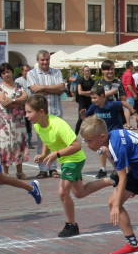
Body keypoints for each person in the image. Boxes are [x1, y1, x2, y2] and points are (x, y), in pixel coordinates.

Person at [80, 116, 138, 254]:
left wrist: (116, 207)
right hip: (137, 172)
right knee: (112, 201)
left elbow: (122, 178)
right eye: (85, 141)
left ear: (101, 136)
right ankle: (133, 245)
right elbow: (125, 163)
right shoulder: (112, 136)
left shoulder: (115, 146)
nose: (88, 145)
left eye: (89, 141)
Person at [26, 94, 99, 238]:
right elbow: (47, 140)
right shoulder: (38, 125)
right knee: (80, 193)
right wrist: (43, 154)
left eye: (29, 112)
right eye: (26, 112)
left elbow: (77, 146)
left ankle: (71, 225)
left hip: (74, 159)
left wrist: (56, 154)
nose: (27, 116)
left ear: (41, 112)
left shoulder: (58, 125)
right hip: (65, 160)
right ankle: (111, 181)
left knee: (62, 192)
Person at [26, 50, 66, 178]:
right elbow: (34, 90)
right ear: (38, 61)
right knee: (42, 140)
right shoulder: (32, 73)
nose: (45, 62)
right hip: (40, 114)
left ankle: (53, 168)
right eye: (42, 60)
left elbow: (61, 89)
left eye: (47, 59)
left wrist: (42, 88)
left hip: (55, 112)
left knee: (55, 141)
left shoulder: (57, 72)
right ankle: (43, 168)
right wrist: (52, 88)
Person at [90, 60, 129, 179]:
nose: (110, 71)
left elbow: (123, 99)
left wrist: (128, 117)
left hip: (115, 116)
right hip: (102, 115)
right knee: (101, 141)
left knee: (114, 143)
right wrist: (108, 93)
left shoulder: (118, 82)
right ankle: (102, 168)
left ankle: (115, 168)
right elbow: (95, 97)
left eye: (112, 69)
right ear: (102, 71)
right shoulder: (98, 83)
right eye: (107, 69)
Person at [0, 62, 29, 179]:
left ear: (12, 72)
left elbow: (25, 97)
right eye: (3, 73)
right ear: (1, 75)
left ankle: (20, 171)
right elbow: (4, 102)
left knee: (19, 145)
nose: (6, 75)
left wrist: (13, 100)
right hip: (5, 124)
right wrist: (17, 100)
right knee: (6, 146)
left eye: (8, 72)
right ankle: (6, 171)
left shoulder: (19, 86)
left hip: (18, 122)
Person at [16, 64, 35, 147]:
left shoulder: (33, 80)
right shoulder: (18, 81)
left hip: (31, 105)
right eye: (26, 70)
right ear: (22, 71)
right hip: (21, 106)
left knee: (29, 124)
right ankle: (21, 141)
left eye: (29, 70)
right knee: (21, 124)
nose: (27, 72)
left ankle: (29, 141)